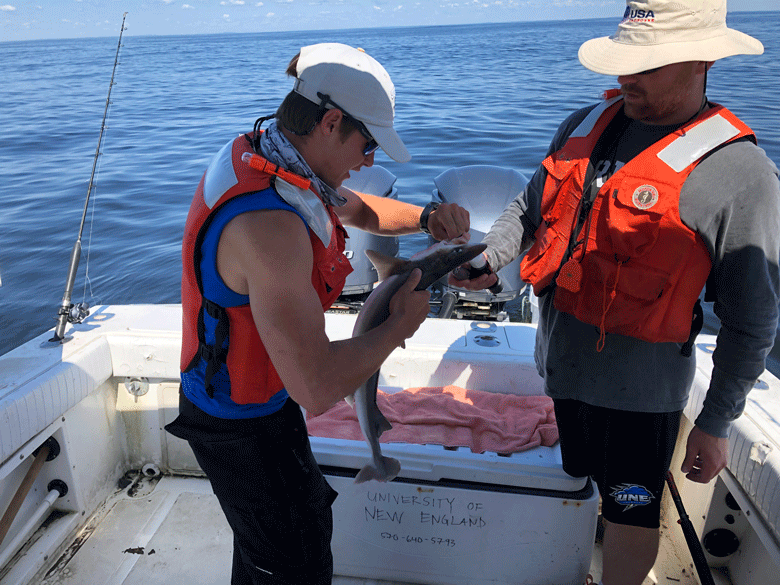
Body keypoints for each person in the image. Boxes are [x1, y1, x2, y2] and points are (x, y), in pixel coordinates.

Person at [451, 2, 780, 584]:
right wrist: (491, 255)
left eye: (648, 65)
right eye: (625, 60)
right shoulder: (585, 123)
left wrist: (716, 421)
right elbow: (527, 209)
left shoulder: (742, 173)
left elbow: (753, 320)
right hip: (560, 369)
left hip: (641, 402)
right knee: (578, 477)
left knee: (633, 508)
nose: (627, 76)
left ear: (703, 60)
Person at [165, 42, 470, 585]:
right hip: (238, 422)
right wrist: (401, 325)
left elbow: (362, 208)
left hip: (261, 393)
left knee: (274, 541)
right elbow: (316, 386)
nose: (370, 161)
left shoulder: (271, 156)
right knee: (291, 559)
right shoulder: (269, 229)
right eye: (368, 142)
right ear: (331, 121)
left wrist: (427, 218)